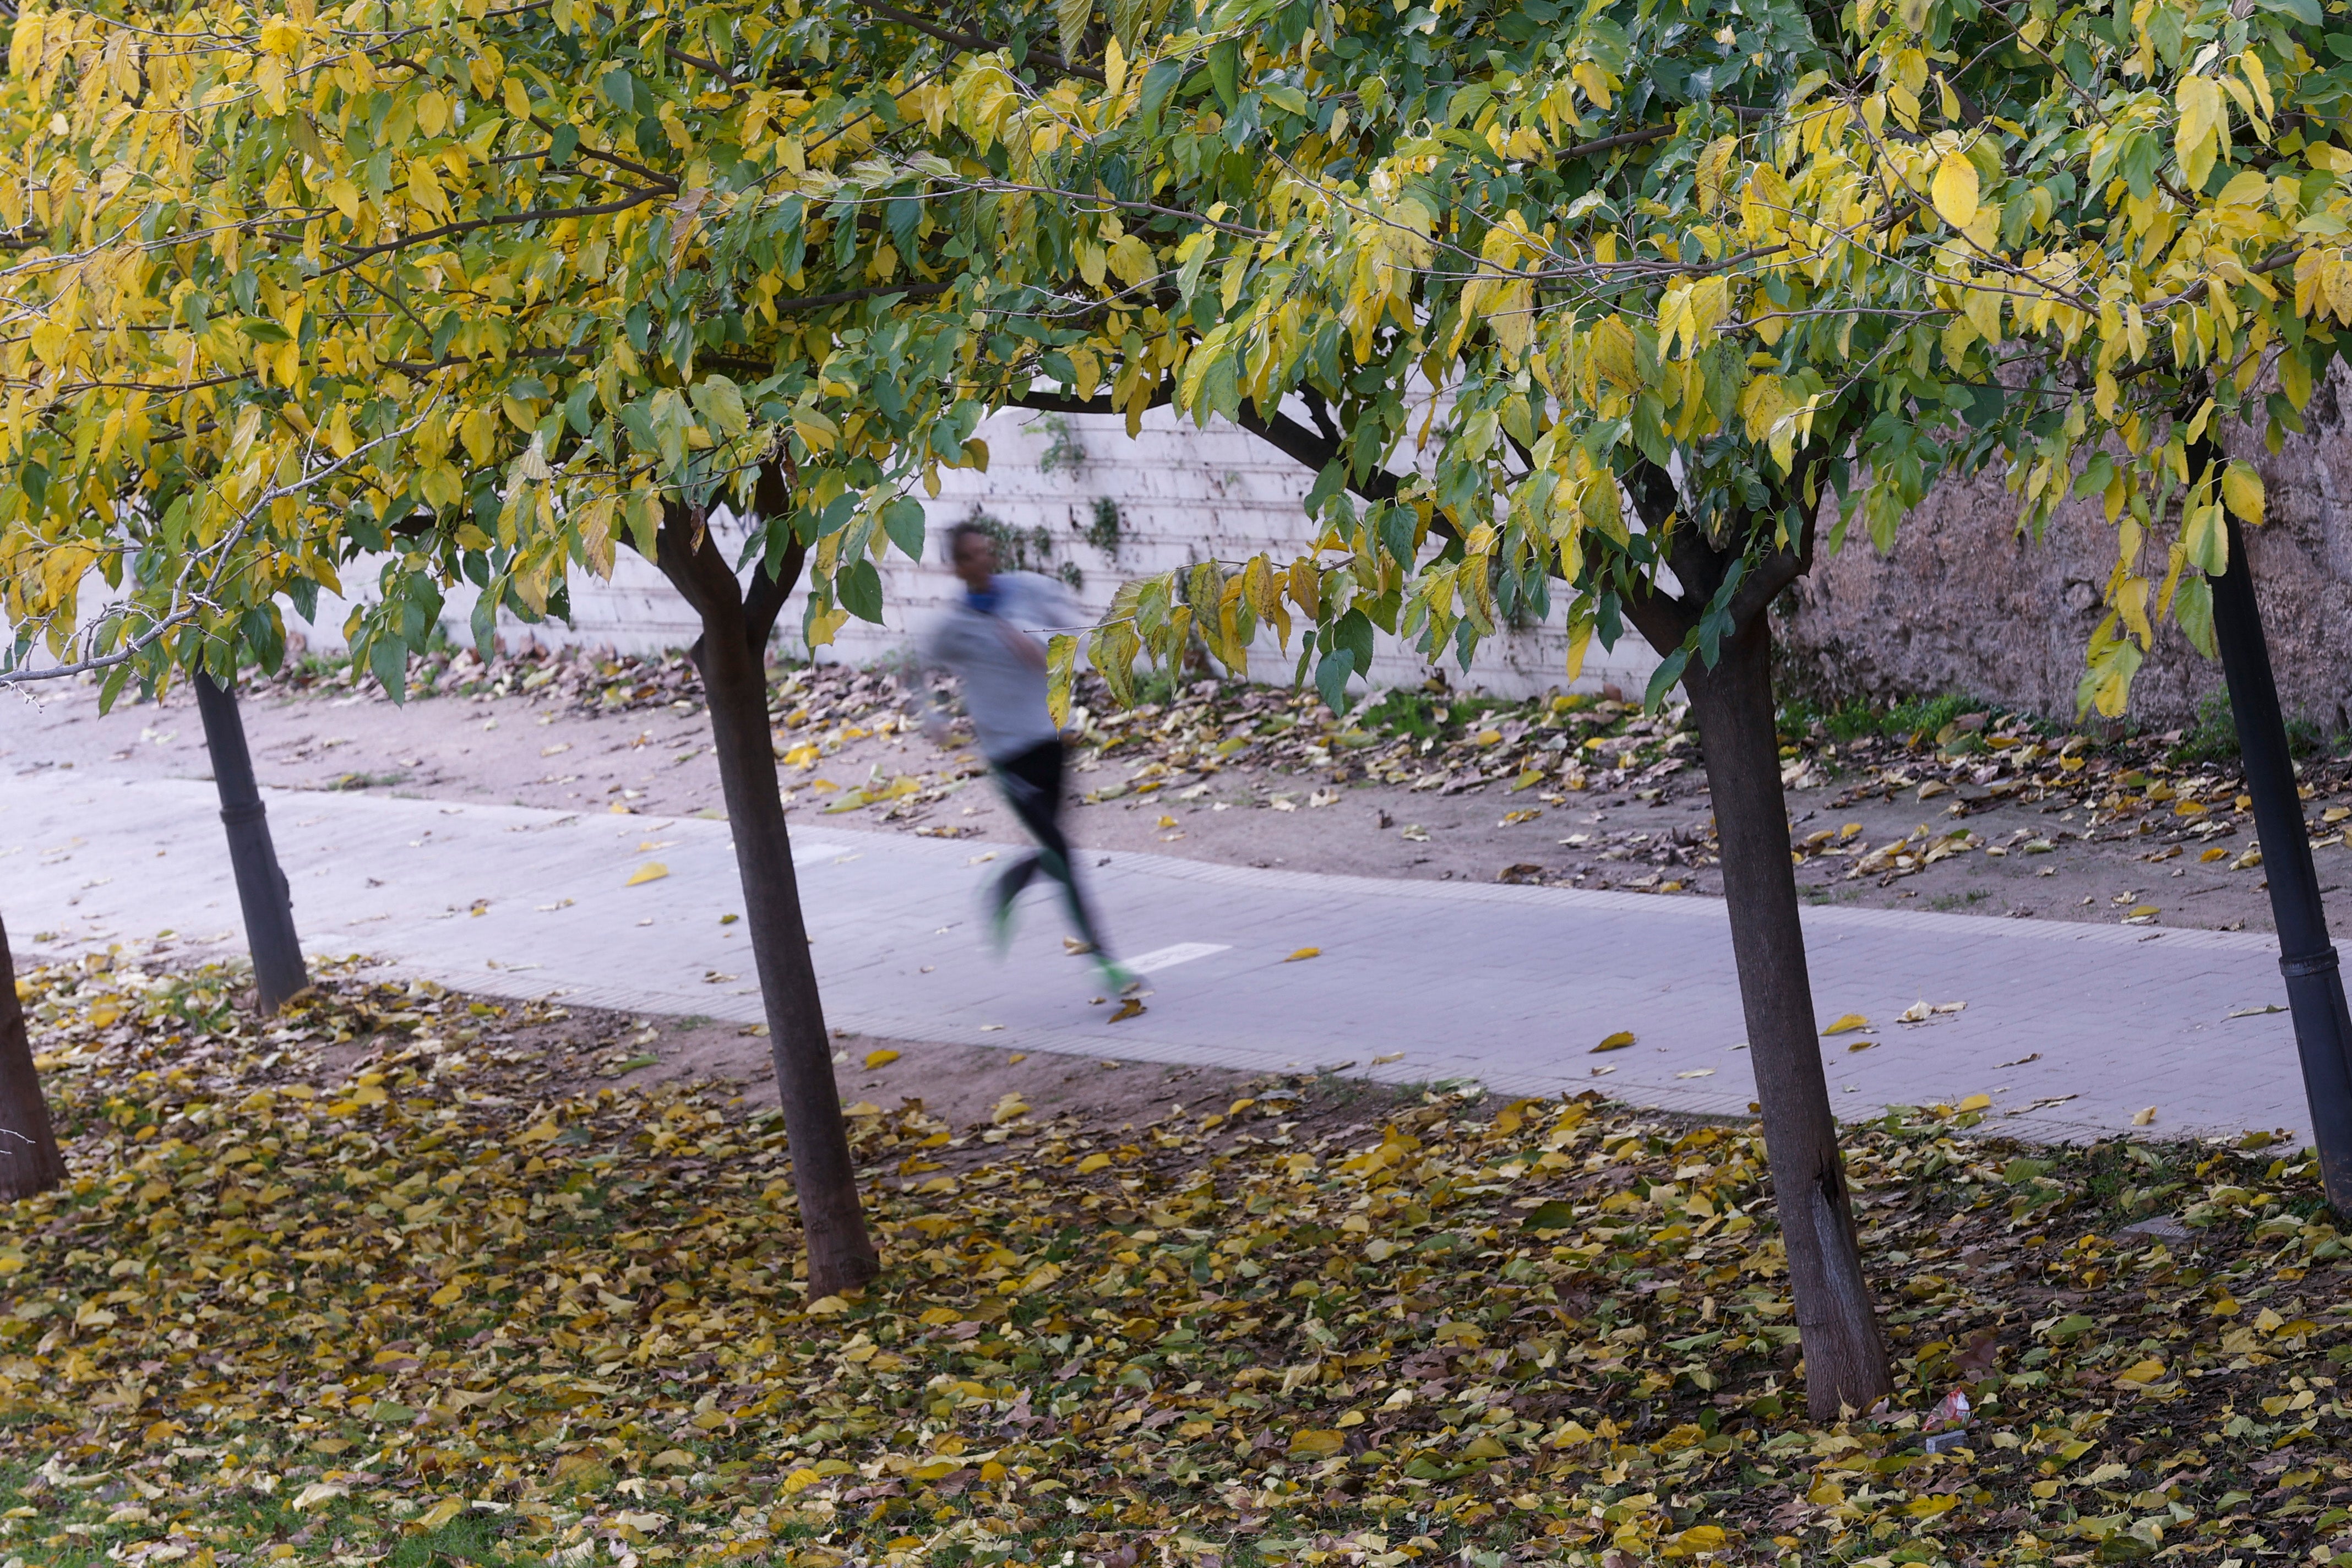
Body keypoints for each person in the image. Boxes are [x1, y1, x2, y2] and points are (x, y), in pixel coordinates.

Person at [922, 520, 1136, 994]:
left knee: (1052, 848)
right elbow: (913, 664)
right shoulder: (953, 626)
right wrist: (932, 717)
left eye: (988, 550)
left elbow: (1071, 639)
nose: (987, 560)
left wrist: (1040, 647)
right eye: (974, 555)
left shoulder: (1028, 590)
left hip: (1050, 740)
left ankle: (1008, 884)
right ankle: (1105, 962)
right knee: (1061, 854)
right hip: (1006, 756)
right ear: (956, 566)